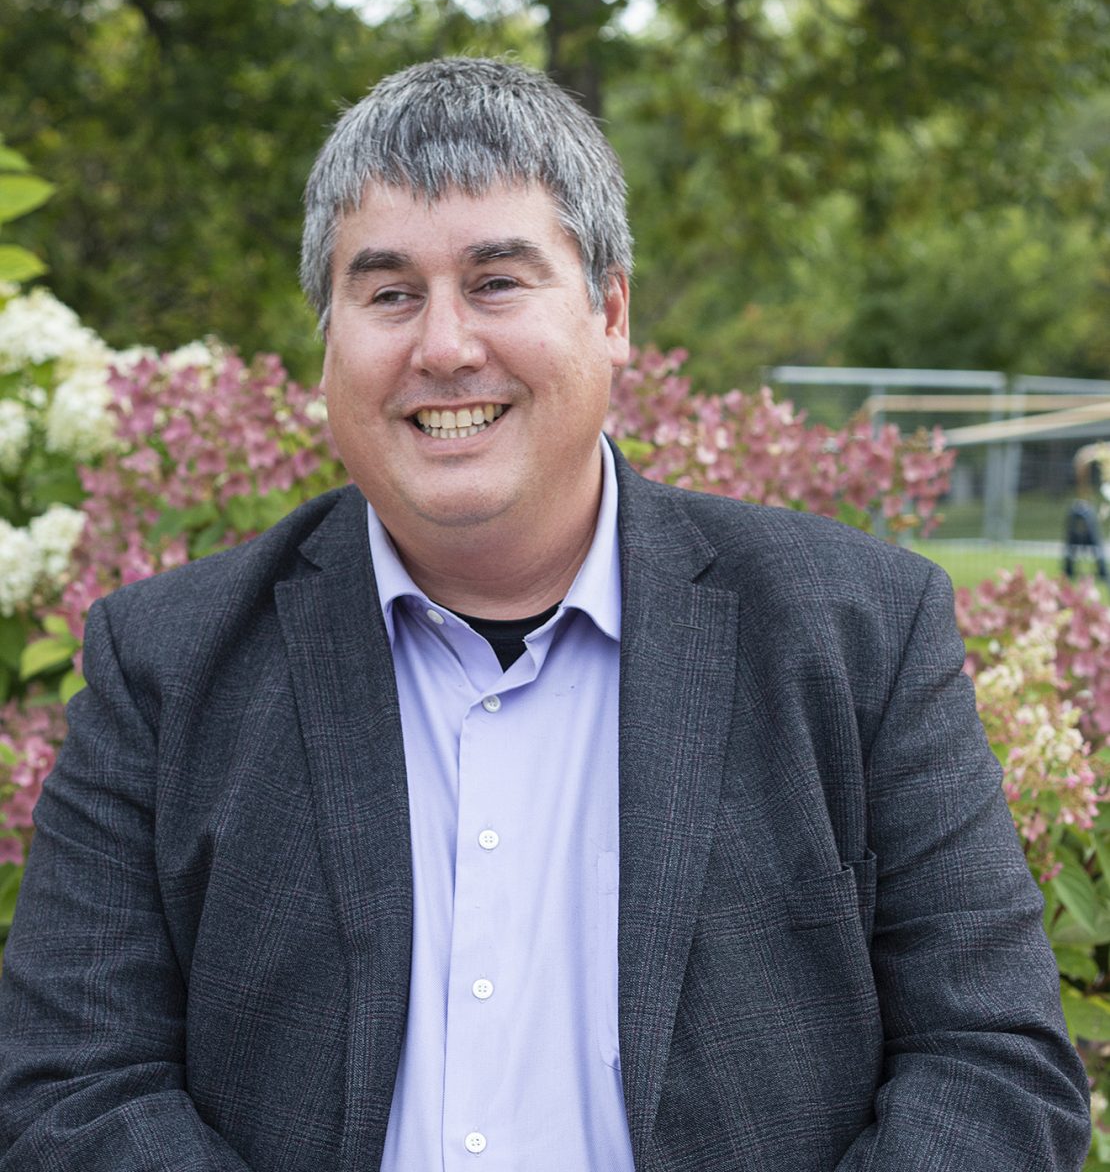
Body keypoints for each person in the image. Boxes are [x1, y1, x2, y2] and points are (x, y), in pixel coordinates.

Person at [0, 57, 1091, 1171]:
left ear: (611, 310)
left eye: (496, 281)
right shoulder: (166, 666)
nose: (443, 347)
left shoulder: (859, 632)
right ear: (328, 342)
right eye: (387, 294)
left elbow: (990, 1068)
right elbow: (72, 1088)